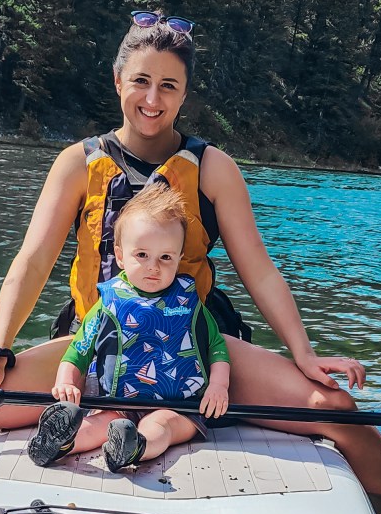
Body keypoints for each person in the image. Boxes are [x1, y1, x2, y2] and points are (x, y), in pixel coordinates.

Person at [0, 10, 381, 514]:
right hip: (100, 337)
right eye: (141, 81)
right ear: (117, 82)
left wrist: (303, 354)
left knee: (337, 408)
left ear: (185, 94)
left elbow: (258, 268)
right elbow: (33, 259)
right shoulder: (76, 163)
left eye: (169, 85)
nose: (153, 99)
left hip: (194, 343)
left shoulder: (215, 168)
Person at [27, 183, 230, 472]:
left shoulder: (190, 303)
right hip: (118, 403)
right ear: (120, 256)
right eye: (142, 255)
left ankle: (134, 447)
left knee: (162, 425)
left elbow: (216, 348)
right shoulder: (108, 303)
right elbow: (79, 349)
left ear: (179, 257)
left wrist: (219, 386)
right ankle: (61, 442)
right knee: (99, 424)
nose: (154, 267)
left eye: (166, 257)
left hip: (179, 406)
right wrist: (67, 382)